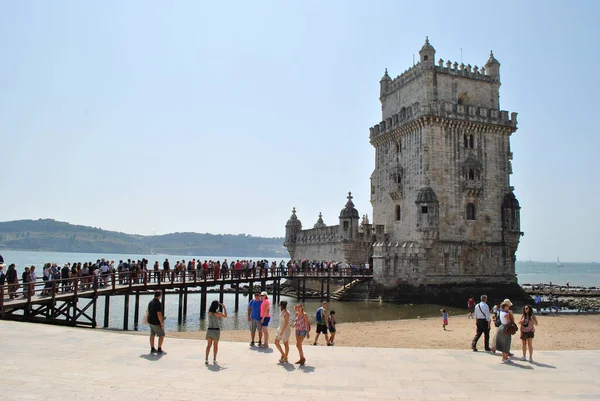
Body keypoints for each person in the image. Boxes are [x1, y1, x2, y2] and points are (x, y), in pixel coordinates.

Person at [205, 300, 227, 365]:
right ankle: (214, 359)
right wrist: (224, 308)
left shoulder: (209, 313)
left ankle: (206, 359)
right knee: (215, 345)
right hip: (216, 330)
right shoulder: (218, 313)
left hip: (209, 330)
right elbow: (225, 315)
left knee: (208, 345)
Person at [496, 299, 515, 363]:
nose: (508, 307)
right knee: (506, 343)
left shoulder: (501, 312)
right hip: (506, 328)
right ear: (505, 307)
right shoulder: (505, 314)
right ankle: (505, 357)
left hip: (502, 327)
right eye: (507, 306)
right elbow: (511, 321)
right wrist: (511, 314)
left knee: (503, 343)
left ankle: (504, 357)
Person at [147, 290, 166, 355]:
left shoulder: (150, 302)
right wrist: (161, 323)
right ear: (160, 295)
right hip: (155, 322)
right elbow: (159, 314)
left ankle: (152, 348)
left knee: (152, 334)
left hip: (150, 320)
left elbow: (149, 311)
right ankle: (159, 349)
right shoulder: (158, 303)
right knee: (162, 334)